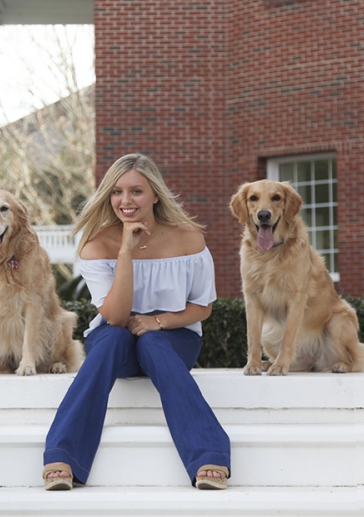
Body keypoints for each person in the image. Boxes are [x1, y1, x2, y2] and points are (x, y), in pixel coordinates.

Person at [42, 153, 230, 491]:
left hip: (175, 339)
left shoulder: (189, 239)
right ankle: (63, 455)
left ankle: (208, 454)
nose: (125, 201)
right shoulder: (97, 244)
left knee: (153, 342)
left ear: (156, 194)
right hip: (115, 344)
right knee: (112, 337)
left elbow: (203, 307)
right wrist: (125, 251)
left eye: (136, 191)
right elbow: (114, 316)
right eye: (116, 192)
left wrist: (157, 322)